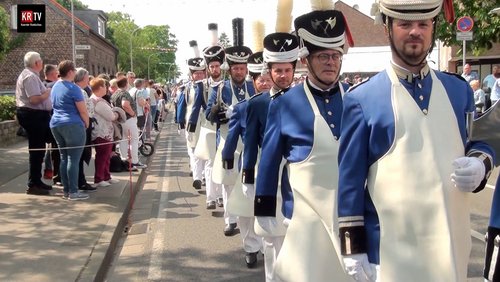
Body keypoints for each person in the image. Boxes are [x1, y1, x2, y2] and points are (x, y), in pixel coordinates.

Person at [338, 1, 495, 281]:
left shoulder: (458, 91)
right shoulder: (361, 100)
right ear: (387, 28)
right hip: (390, 253)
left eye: (423, 24)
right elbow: (350, 181)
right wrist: (353, 247)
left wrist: (480, 164)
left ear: (433, 28)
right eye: (405, 24)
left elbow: (479, 144)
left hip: (451, 248)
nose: (415, 32)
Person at [254, 6, 353, 281]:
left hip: (349, 214)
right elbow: (271, 160)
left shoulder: (357, 100)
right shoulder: (285, 104)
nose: (331, 62)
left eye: (335, 56)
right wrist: (263, 207)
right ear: (307, 60)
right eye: (323, 56)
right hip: (301, 214)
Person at [241, 31, 299, 279]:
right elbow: (251, 142)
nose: (283, 76)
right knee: (271, 236)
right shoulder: (257, 104)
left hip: (297, 174)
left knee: (295, 237)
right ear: (269, 72)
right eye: (278, 71)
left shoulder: (304, 99)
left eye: (288, 70)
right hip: (268, 174)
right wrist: (247, 176)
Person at [205, 18, 256, 236]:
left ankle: (248, 217)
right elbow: (209, 114)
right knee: (228, 183)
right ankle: (230, 219)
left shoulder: (254, 87)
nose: (239, 71)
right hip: (226, 142)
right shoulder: (220, 89)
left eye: (243, 68)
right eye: (236, 68)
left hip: (250, 143)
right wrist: (220, 113)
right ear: (231, 69)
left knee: (248, 182)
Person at [193, 23, 225, 210]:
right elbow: (197, 107)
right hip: (207, 127)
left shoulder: (227, 84)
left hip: (224, 128)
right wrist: (189, 124)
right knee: (210, 162)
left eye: (216, 65)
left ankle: (220, 195)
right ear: (208, 68)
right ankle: (211, 197)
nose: (214, 68)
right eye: (211, 66)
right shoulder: (202, 86)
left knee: (222, 162)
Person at [50, 60, 90, 201]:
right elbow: (83, 110)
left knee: (64, 157)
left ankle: (67, 190)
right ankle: (73, 192)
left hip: (56, 124)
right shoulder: (74, 88)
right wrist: (86, 123)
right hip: (72, 124)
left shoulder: (55, 86)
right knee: (73, 158)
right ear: (71, 72)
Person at [15, 51, 53, 195]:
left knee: (39, 149)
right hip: (33, 116)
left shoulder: (31, 75)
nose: (42, 63)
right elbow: (34, 99)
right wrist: (47, 93)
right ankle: (33, 183)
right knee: (36, 150)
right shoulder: (30, 77)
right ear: (36, 63)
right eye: (41, 61)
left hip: (36, 116)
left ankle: (37, 181)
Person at [177, 42, 207, 191]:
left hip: (207, 124)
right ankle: (197, 177)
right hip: (191, 124)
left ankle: (203, 176)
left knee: (206, 151)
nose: (199, 75)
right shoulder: (187, 89)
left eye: (201, 72)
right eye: (196, 73)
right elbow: (181, 106)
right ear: (192, 74)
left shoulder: (210, 87)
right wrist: (180, 123)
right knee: (194, 151)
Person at [89, 77, 122, 187]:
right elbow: (111, 116)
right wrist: (118, 114)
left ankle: (106, 176)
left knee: (107, 156)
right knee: (102, 156)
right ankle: (99, 178)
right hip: (101, 132)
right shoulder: (98, 101)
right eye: (104, 86)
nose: (106, 88)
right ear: (99, 88)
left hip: (105, 132)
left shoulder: (98, 100)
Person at [111, 77, 147, 170]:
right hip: (128, 119)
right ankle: (135, 161)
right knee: (134, 140)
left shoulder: (115, 94)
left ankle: (125, 160)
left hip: (120, 120)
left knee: (123, 140)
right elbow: (125, 104)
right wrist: (133, 113)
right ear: (126, 84)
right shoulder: (124, 93)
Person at [42, 64, 59, 181]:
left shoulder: (41, 85)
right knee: (56, 150)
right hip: (54, 120)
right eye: (57, 73)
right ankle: (56, 174)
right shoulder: (55, 86)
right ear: (53, 74)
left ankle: (48, 172)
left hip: (44, 120)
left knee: (47, 149)